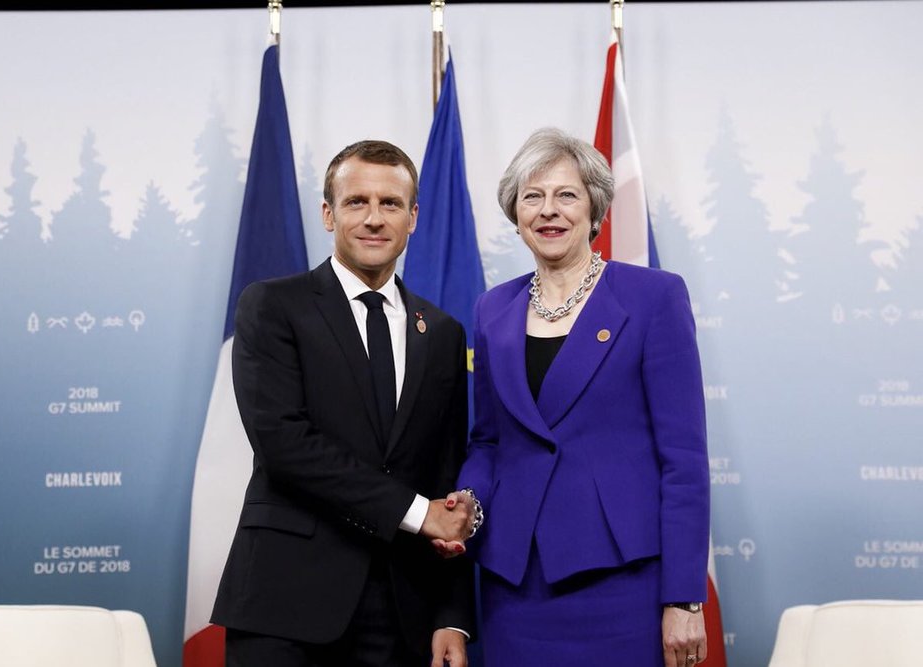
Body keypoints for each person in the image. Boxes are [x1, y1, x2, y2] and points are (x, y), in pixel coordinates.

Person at [448, 127, 710, 667]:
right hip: (515, 584)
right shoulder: (492, 310)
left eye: (566, 195)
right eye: (532, 196)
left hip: (623, 581)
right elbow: (489, 441)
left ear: (595, 209)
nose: (549, 210)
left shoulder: (653, 297)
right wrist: (469, 500)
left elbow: (683, 461)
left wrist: (684, 597)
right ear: (516, 214)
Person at [211, 140, 476, 667]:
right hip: (285, 606)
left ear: (413, 218)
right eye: (357, 202)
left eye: (390, 203)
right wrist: (417, 513)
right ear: (328, 214)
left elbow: (446, 473)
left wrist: (450, 614)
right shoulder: (272, 306)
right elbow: (285, 443)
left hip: (403, 611)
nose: (374, 219)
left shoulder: (443, 333)